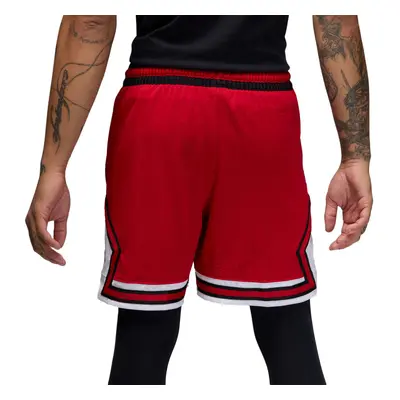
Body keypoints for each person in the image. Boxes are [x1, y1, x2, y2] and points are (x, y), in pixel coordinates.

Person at [25, 15, 372, 385]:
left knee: (143, 331)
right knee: (286, 326)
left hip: (158, 113)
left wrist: (54, 167)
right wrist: (355, 157)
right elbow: (336, 21)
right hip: (261, 113)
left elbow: (90, 21)